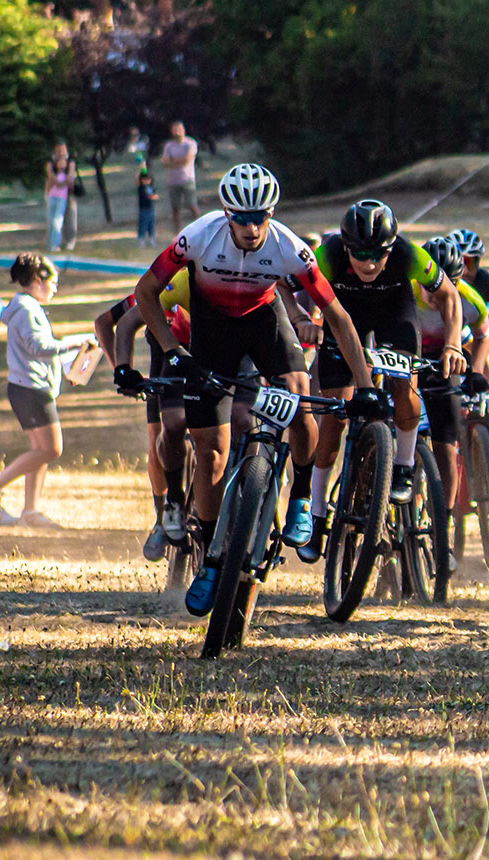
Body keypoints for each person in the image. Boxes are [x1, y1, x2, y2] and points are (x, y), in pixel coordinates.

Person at [133, 164, 381, 615]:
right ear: (226, 213)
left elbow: (339, 317)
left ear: (271, 213)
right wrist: (172, 352)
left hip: (265, 324)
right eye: (241, 218)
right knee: (211, 451)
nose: (251, 227)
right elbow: (145, 292)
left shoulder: (291, 248)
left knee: (299, 400)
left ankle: (302, 495)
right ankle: (210, 558)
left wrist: (364, 385)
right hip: (212, 333)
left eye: (260, 216)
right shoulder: (198, 236)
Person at [301, 201, 462, 556]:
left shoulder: (408, 254)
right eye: (360, 255)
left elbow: (449, 294)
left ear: (393, 247)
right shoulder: (325, 255)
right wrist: (303, 319)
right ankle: (314, 516)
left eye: (379, 255)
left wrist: (453, 345)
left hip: (394, 316)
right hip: (343, 319)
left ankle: (402, 466)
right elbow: (288, 285)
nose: (370, 263)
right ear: (345, 247)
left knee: (404, 390)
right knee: (331, 423)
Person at [97, 273, 192, 558]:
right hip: (164, 371)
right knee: (157, 443)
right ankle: (161, 519)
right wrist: (121, 370)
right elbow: (104, 322)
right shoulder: (166, 288)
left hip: (206, 365)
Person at [0, 254, 96, 526]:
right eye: (53, 282)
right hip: (31, 390)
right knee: (51, 450)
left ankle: (30, 512)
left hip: (29, 388)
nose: (55, 288)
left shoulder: (25, 307)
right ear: (38, 280)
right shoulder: (28, 310)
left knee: (39, 450)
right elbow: (39, 347)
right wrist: (74, 345)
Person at [414, 236, 489, 542]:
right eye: (429, 287)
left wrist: (475, 370)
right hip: (407, 358)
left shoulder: (469, 299)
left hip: (444, 365)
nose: (436, 295)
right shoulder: (405, 289)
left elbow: (483, 336)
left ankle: (441, 529)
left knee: (446, 449)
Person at [450, 228, 489, 313]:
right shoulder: (437, 281)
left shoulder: (486, 282)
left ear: (478, 263)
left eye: (468, 262)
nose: (464, 271)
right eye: (457, 263)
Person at [160, 121, 200, 231]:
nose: (177, 132)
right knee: (175, 208)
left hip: (187, 180)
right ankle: (178, 231)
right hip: (173, 181)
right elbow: (164, 161)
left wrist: (172, 161)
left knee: (192, 205)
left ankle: (199, 228)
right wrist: (177, 162)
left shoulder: (191, 144)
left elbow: (187, 160)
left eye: (179, 130)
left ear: (184, 131)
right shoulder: (169, 145)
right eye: (175, 130)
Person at [43, 143, 77, 252]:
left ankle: (57, 244)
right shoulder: (51, 163)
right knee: (50, 220)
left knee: (58, 220)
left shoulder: (70, 163)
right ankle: (50, 244)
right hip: (52, 197)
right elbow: (49, 179)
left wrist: (62, 183)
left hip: (63, 198)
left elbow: (71, 179)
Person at [136, 162, 159, 247]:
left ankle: (151, 239)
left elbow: (155, 196)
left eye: (148, 179)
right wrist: (141, 168)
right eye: (144, 179)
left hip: (151, 210)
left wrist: (155, 197)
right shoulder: (141, 188)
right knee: (143, 226)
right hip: (144, 210)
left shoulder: (151, 187)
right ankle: (141, 240)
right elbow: (137, 178)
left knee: (151, 226)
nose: (146, 181)